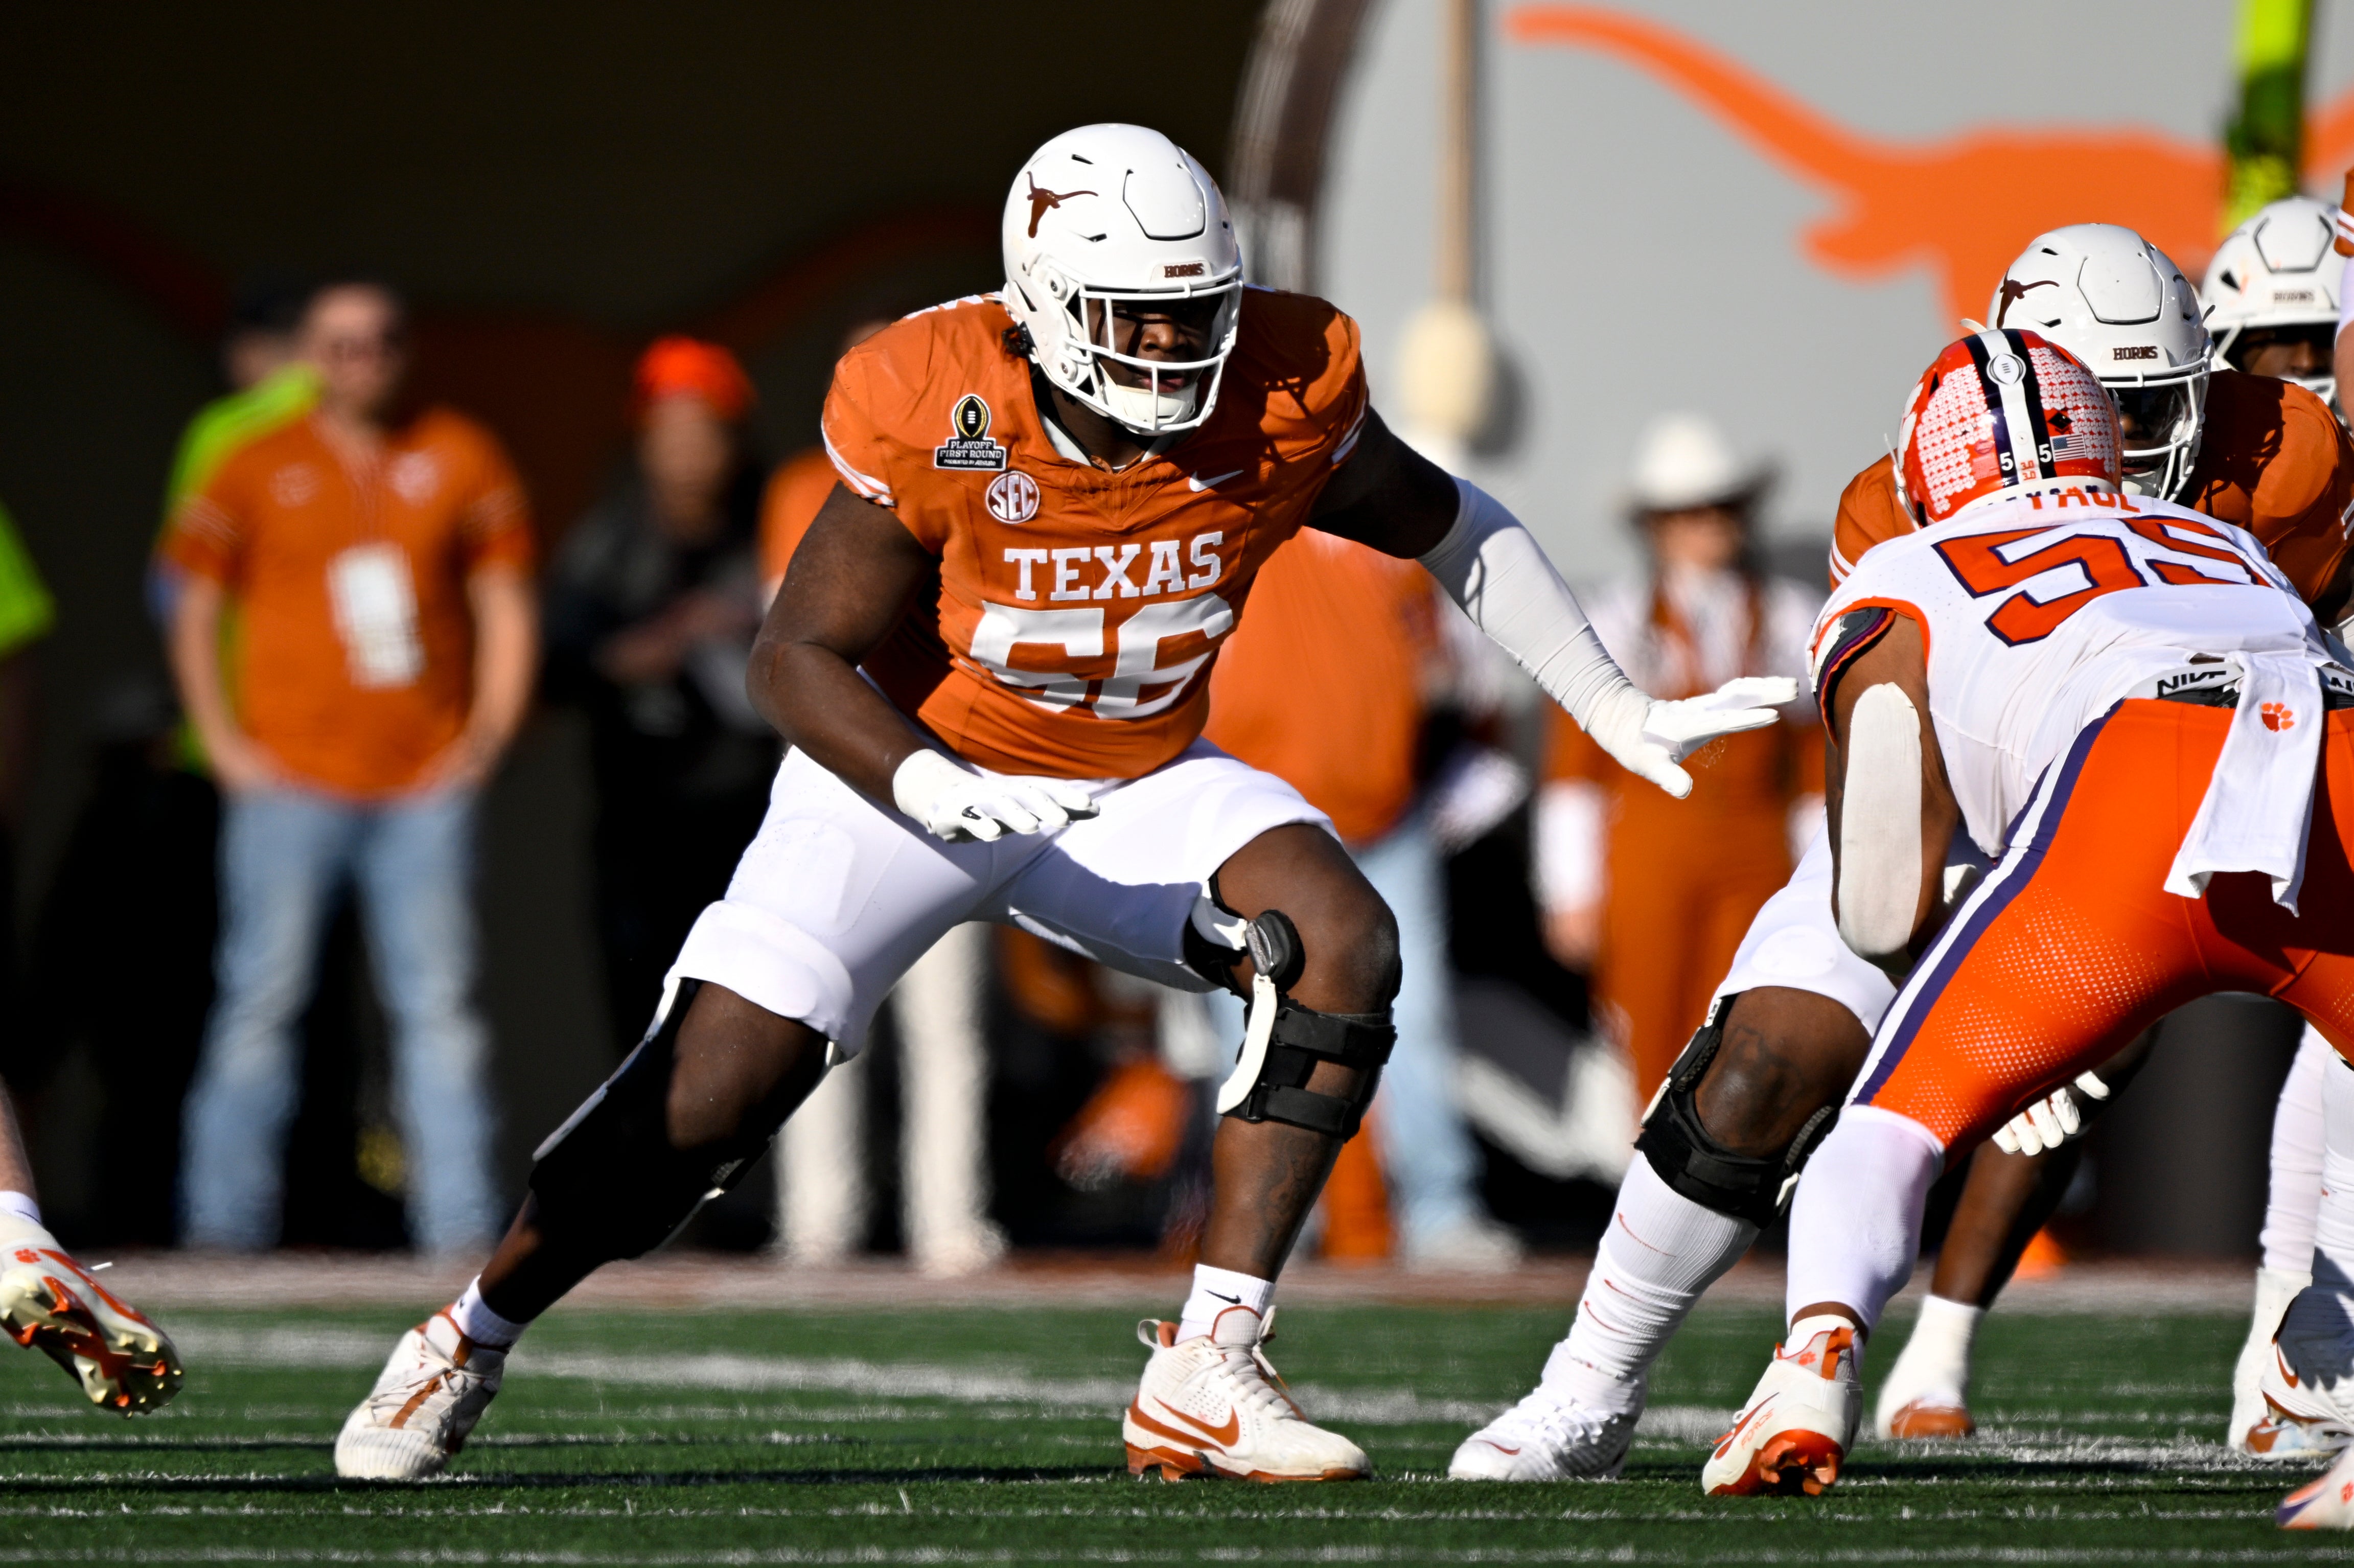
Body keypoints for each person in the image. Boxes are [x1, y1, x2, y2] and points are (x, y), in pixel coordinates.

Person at [328, 121, 1790, 1484]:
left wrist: (1606, 698)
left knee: (1338, 939)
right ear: (1036, 302)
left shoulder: (1277, 390)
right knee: (706, 1101)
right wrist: (914, 775)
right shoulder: (938, 400)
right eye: (1132, 314)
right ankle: (466, 1333)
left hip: (1133, 777)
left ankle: (1208, 1364)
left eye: (1195, 309)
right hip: (908, 774)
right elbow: (793, 653)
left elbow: (1446, 523)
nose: (1172, 344)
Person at [1450, 221, 2354, 1481]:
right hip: (1988, 811)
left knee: (1912, 1103)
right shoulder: (1899, 520)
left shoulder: (2284, 460)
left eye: (2152, 405)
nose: (2121, 441)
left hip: (2162, 785)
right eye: (2096, 406)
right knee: (1773, 1042)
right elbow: (1891, 841)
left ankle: (2303, 1351)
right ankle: (1589, 1382)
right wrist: (1998, 961)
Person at [1696, 331, 2354, 1525]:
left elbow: (1880, 891)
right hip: (2331, 765)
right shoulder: (2219, 536)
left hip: (2135, 791)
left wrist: (1993, 1003)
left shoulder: (1906, 566)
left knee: (1893, 1120)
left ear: (1926, 469)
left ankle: (1812, 1362)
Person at [161, 281, 539, 1255]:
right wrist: (226, 742)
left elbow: (505, 598)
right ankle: (222, 1227)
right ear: (307, 355)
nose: (360, 360)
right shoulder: (252, 460)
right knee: (260, 1000)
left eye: (380, 342)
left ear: (405, 351)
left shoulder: (460, 451)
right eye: (338, 344)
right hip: (288, 777)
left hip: (422, 784)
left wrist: (487, 736)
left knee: (439, 1008)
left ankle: (457, 1231)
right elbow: (189, 605)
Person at [1202, 524, 1521, 1268]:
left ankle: (1439, 1209)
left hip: (1384, 822)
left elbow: (1457, 675)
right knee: (1251, 1029)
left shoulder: (1387, 546)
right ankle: (1267, 1218)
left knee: (1416, 1018)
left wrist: (1454, 777)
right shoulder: (1229, 527)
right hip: (1254, 824)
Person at [1533, 414, 1819, 1103]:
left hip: (1756, 848)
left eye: (1721, 509)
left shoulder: (1790, 617)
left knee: (1745, 1022)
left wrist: (1818, 881)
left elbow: (1815, 768)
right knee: (1647, 1023)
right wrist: (1570, 891)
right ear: (1655, 526)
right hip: (1645, 849)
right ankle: (1646, 1191)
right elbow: (1575, 770)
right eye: (1687, 514)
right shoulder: (1611, 621)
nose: (1708, 527)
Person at [544, 337, 775, 1049]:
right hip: (641, 828)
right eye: (667, 430)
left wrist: (745, 623)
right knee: (643, 1029)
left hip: (756, 826)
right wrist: (635, 653)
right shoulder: (607, 546)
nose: (686, 450)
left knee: (756, 1028)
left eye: (703, 429)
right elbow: (555, 666)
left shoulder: (771, 535)